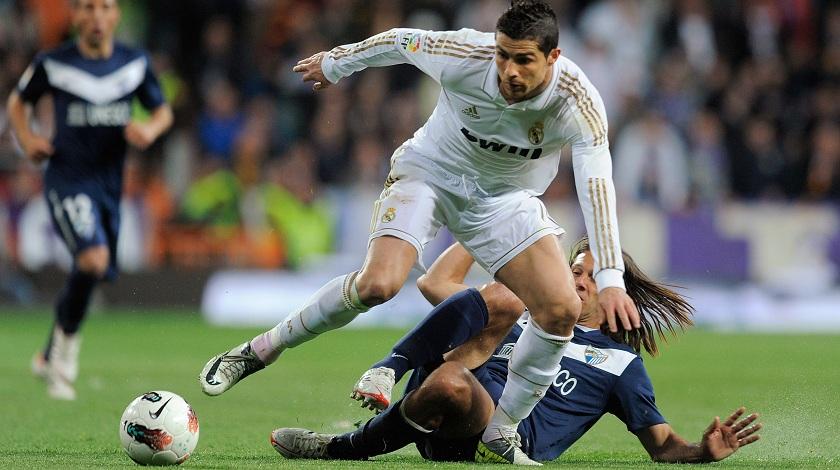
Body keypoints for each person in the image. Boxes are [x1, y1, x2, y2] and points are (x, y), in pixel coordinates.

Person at [200, 2, 639, 462]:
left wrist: (611, 279)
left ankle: (501, 433)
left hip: (504, 201)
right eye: (503, 55)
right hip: (431, 174)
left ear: (553, 57)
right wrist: (335, 63)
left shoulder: (578, 101)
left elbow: (596, 187)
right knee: (378, 284)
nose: (509, 70)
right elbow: (399, 41)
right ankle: (259, 350)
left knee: (561, 308)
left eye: (524, 59)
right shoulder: (466, 54)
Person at [268, 238, 762, 465]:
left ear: (617, 292)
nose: (577, 279)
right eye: (574, 268)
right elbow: (437, 284)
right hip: (443, 404)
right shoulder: (525, 311)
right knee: (501, 296)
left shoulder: (619, 365)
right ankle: (388, 369)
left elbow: (662, 445)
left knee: (451, 382)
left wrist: (702, 452)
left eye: (591, 275)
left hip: (496, 437)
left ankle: (340, 448)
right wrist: (491, 224)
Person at [7, 0, 173, 400]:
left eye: (104, 7)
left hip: (109, 186)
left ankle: (49, 350)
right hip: (67, 177)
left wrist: (149, 130)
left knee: (95, 270)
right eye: (87, 8)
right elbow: (18, 102)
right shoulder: (53, 63)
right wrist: (27, 139)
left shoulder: (134, 64)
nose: (96, 16)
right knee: (92, 260)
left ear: (116, 15)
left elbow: (162, 111)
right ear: (75, 16)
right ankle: (62, 364)